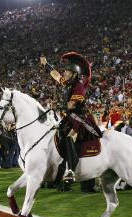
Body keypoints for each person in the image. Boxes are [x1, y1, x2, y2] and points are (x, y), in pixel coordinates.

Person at [40, 51, 102, 181]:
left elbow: (72, 105)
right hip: (69, 118)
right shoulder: (68, 83)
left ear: (74, 74)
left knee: (69, 138)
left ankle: (71, 170)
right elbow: (56, 75)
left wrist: (58, 105)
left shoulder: (79, 87)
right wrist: (46, 65)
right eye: (65, 71)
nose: (65, 73)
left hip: (79, 120)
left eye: (67, 72)